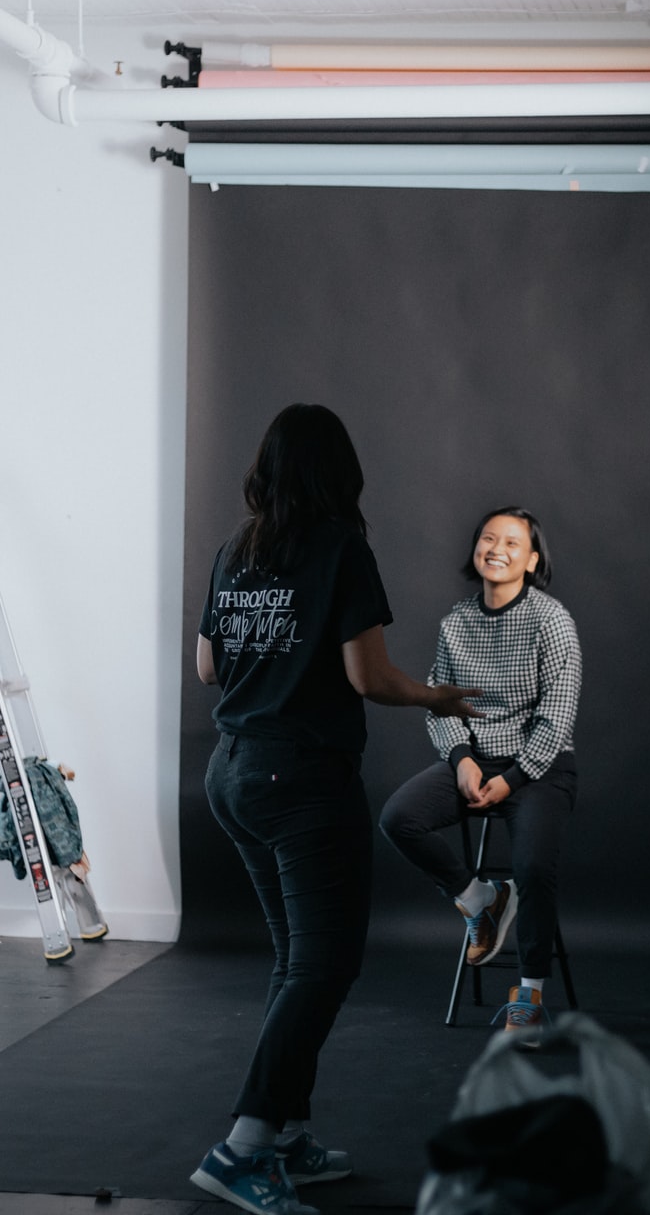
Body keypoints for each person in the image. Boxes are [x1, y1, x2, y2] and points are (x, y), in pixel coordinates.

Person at [192, 403, 479, 1215]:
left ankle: (283, 1135)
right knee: (323, 966)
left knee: (294, 960)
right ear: (338, 472)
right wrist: (439, 696)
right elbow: (369, 680)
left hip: (233, 775)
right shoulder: (341, 550)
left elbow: (209, 670)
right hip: (301, 783)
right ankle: (242, 1148)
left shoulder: (233, 552)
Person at [379, 507, 581, 1037]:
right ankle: (481, 900)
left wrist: (513, 778)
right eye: (488, 538)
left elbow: (558, 714)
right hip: (476, 759)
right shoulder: (455, 623)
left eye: (512, 542)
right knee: (398, 818)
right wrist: (461, 759)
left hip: (540, 767)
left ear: (532, 559)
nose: (497, 548)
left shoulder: (551, 619)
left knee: (534, 868)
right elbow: (438, 704)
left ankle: (530, 996)